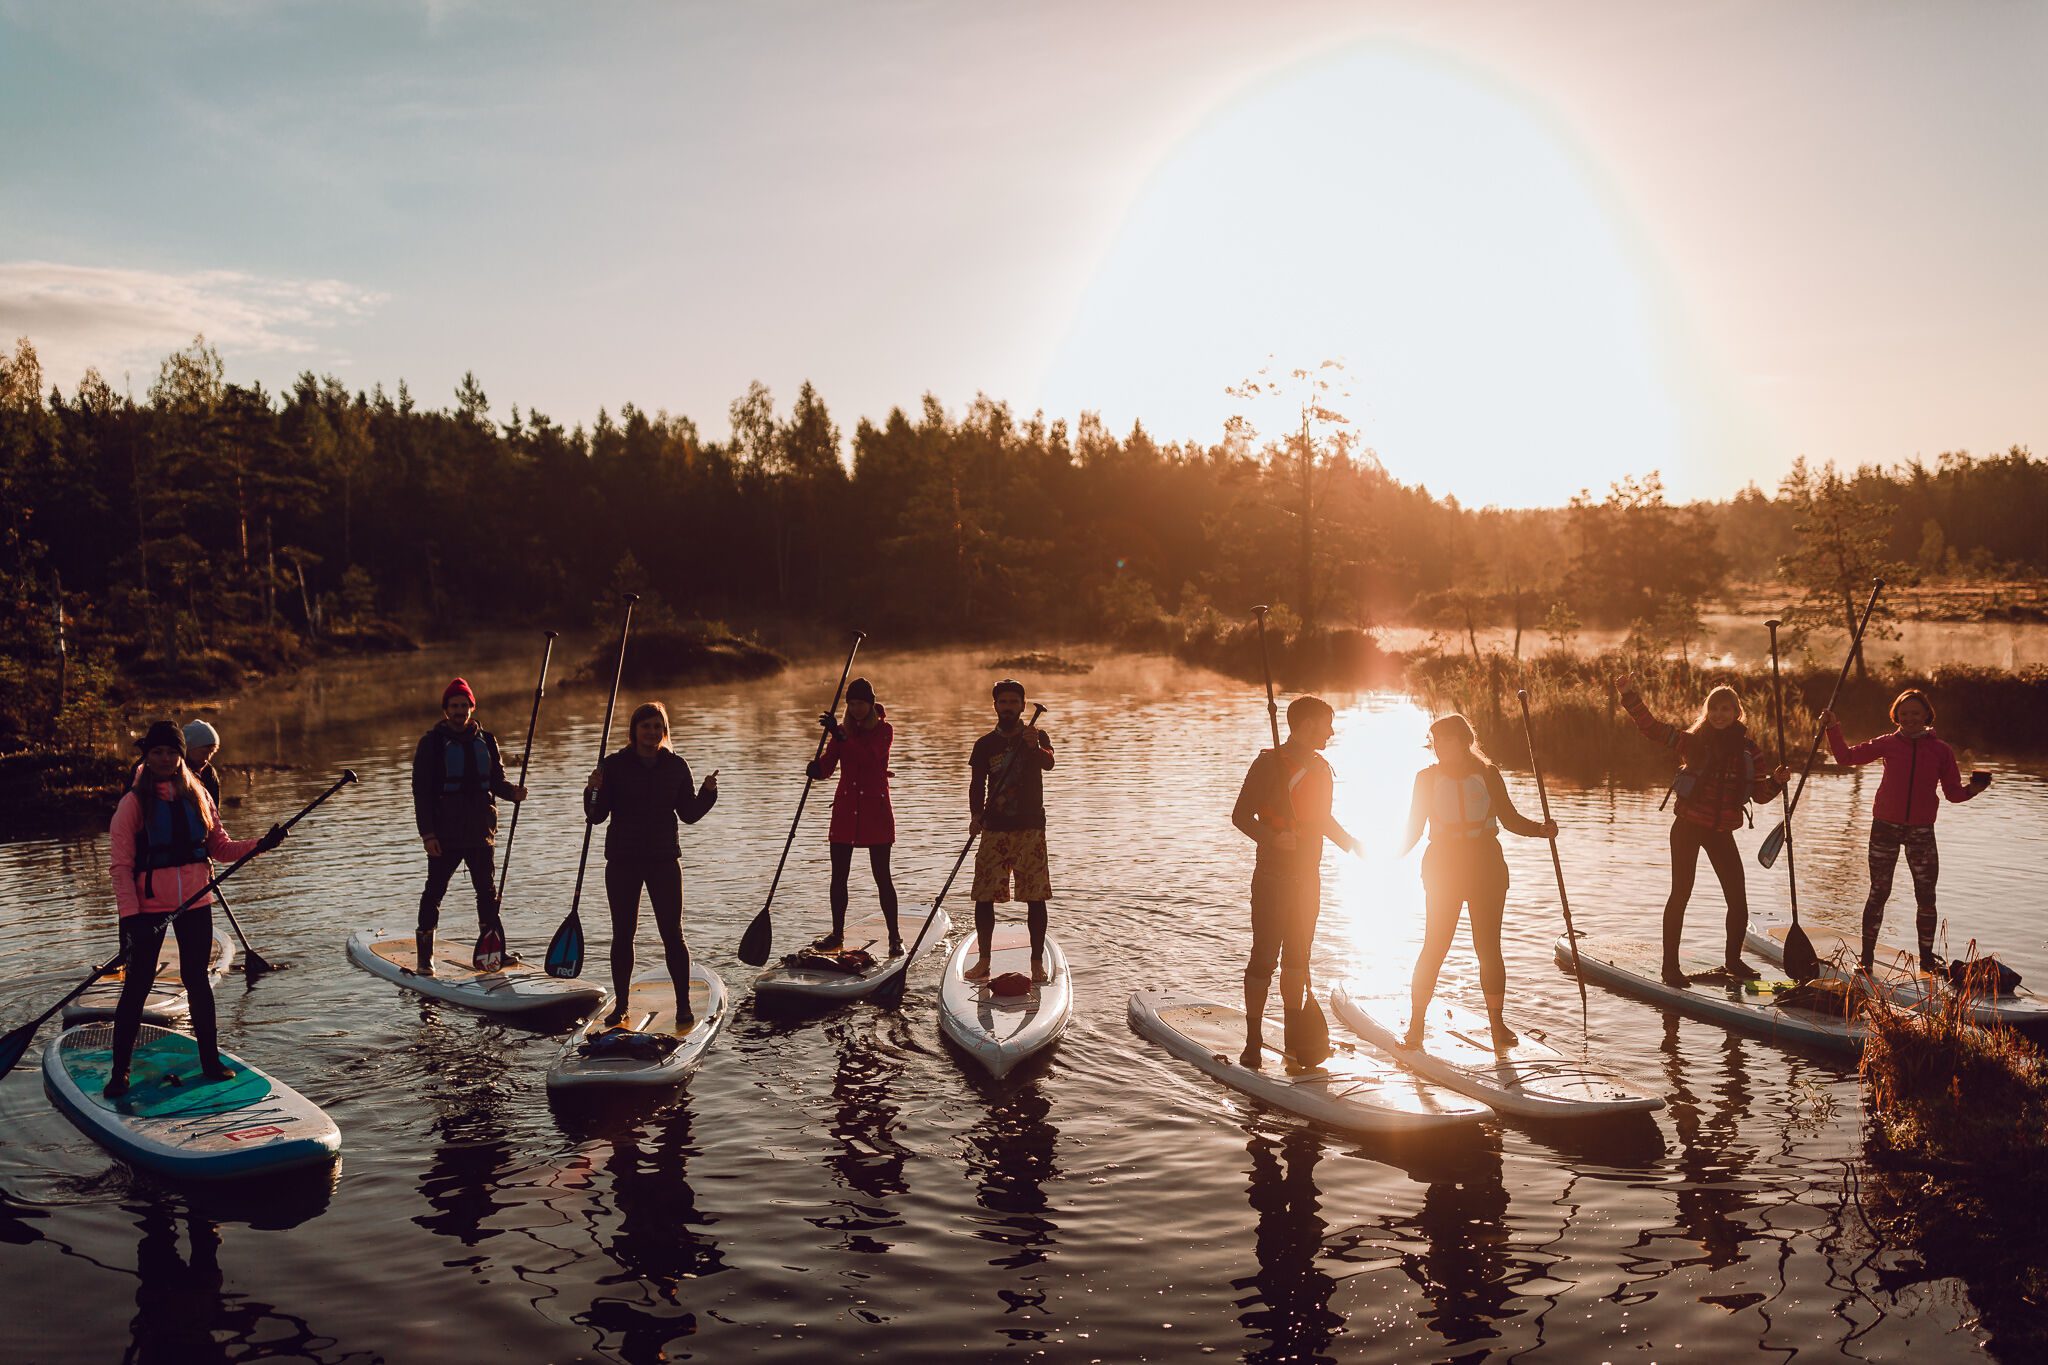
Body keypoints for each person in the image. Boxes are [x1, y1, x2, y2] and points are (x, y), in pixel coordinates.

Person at [102, 720, 285, 1098]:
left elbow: (220, 847)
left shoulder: (198, 794)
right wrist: (130, 918)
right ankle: (120, 1073)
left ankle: (210, 1062)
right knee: (136, 987)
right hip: (147, 910)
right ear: (147, 756)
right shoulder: (133, 803)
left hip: (195, 903)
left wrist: (261, 844)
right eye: (158, 752)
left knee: (198, 982)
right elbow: (120, 867)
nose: (165, 759)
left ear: (181, 755)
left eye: (172, 752)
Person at [1614, 674, 1789, 987]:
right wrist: (1630, 696)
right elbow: (1653, 728)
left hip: (1721, 833)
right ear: (1708, 713)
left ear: (1737, 713)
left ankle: (1733, 962)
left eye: (1726, 709)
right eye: (1714, 709)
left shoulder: (1750, 752)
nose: (1719, 715)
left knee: (1738, 901)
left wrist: (1777, 781)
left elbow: (1760, 796)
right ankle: (1670, 968)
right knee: (1680, 894)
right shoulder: (1693, 742)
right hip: (1688, 828)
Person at [1398, 714, 1557, 1050]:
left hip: (1486, 866)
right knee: (1435, 946)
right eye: (1434, 741)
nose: (1436, 747)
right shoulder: (1425, 778)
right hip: (1443, 867)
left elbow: (1510, 819)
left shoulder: (1487, 773)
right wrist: (1385, 856)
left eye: (1443, 741)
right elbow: (1413, 829)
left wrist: (1540, 829)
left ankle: (1497, 1026)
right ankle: (1415, 1027)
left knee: (1488, 949)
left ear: (1461, 741)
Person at [1230, 694, 1360, 1068]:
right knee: (1264, 958)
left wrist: (1355, 846)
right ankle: (1253, 1043)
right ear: (1305, 725)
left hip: (1309, 878)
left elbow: (1322, 820)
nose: (1331, 732)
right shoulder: (1268, 764)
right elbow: (1240, 816)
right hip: (1272, 877)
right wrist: (1271, 837)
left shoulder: (1321, 769)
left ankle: (1291, 1042)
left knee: (1298, 961)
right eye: (1326, 724)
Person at [1821, 690, 1990, 973]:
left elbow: (1954, 794)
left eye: (1915, 713)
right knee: (1878, 893)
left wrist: (1975, 789)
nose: (1909, 718)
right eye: (1904, 714)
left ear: (1926, 715)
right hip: (1884, 828)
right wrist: (1832, 727)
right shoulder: (1887, 744)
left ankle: (1926, 961)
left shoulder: (1941, 751)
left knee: (1926, 897)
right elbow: (1845, 758)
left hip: (1921, 832)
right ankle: (1867, 960)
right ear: (1896, 716)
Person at [586, 701, 718, 1028]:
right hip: (622, 860)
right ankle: (621, 1007)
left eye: (658, 727)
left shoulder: (675, 766)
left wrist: (708, 793)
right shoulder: (613, 765)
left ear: (664, 731)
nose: (652, 732)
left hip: (663, 860)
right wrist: (592, 789)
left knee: (673, 934)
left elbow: (688, 814)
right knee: (623, 934)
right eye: (646, 726)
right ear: (634, 731)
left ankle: (684, 1005)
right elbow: (595, 815)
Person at [409, 678, 526, 975]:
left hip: (480, 831)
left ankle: (493, 950)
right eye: (454, 706)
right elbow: (421, 793)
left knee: (487, 892)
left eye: (465, 705)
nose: (460, 711)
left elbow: (496, 782)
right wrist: (428, 834)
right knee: (434, 891)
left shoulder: (486, 740)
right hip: (444, 834)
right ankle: (425, 957)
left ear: (472, 708)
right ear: (446, 709)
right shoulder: (431, 743)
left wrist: (512, 792)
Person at [966, 679, 1056, 983]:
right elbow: (977, 784)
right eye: (1002, 702)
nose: (1008, 707)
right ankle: (984, 961)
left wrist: (1035, 747)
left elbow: (1050, 764)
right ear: (995, 706)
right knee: (984, 896)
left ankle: (1035, 963)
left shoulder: (1037, 735)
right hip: (995, 830)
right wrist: (975, 815)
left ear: (1022, 705)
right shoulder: (984, 744)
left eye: (1013, 702)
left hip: (1030, 828)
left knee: (1035, 898)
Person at [807, 677, 902, 955]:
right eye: (852, 704)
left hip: (876, 811)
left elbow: (868, 759)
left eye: (861, 703)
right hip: (846, 811)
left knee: (882, 876)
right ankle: (837, 934)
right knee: (839, 876)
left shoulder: (884, 731)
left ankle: (895, 936)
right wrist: (816, 769)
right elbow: (828, 765)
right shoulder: (842, 732)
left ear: (871, 704)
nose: (856, 708)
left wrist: (841, 736)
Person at [183, 719, 223, 806]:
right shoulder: (175, 770)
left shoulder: (209, 772)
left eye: (212, 752)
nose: (208, 758)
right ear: (187, 749)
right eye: (204, 752)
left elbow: (215, 810)